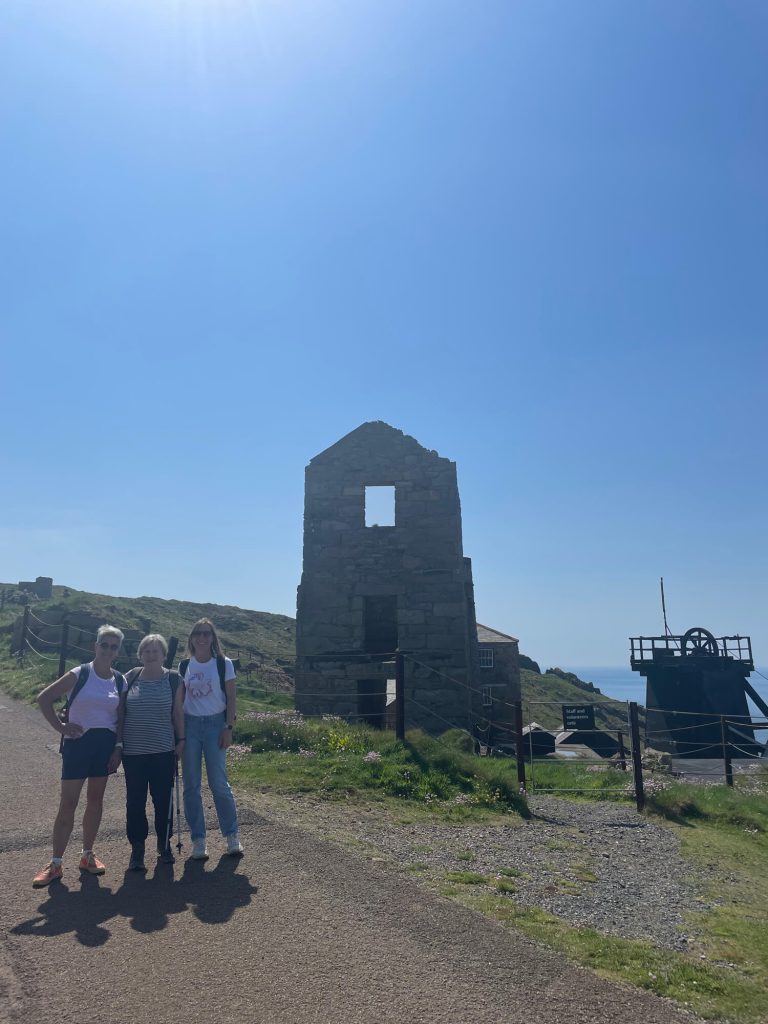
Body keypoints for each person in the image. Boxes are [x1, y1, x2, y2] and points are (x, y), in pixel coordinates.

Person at [33, 624, 126, 888]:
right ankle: (55, 862)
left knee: (95, 801)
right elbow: (44, 698)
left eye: (113, 646)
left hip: (104, 745)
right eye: (104, 645)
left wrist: (118, 747)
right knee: (68, 803)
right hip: (78, 744)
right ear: (95, 646)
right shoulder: (80, 673)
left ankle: (87, 855)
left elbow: (120, 717)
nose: (108, 650)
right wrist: (61, 728)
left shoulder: (119, 679)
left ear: (118, 651)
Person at [118, 633, 185, 871]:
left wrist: (181, 741)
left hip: (163, 750)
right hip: (133, 752)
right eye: (146, 650)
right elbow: (121, 712)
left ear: (164, 655)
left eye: (156, 650)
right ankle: (137, 849)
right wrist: (118, 743)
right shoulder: (130, 677)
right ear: (140, 654)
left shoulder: (174, 679)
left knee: (163, 799)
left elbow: (177, 713)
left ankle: (163, 844)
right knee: (135, 801)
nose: (151, 654)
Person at [179, 618, 243, 859]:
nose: (202, 638)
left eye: (206, 634)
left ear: (213, 638)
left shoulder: (223, 664)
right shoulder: (184, 665)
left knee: (219, 783)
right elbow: (179, 700)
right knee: (191, 785)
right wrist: (179, 733)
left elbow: (231, 697)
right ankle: (198, 840)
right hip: (191, 725)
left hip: (216, 724)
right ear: (192, 638)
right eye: (198, 633)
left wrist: (229, 727)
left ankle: (232, 835)